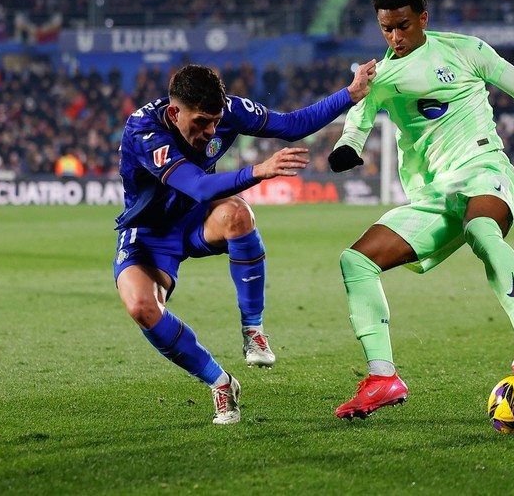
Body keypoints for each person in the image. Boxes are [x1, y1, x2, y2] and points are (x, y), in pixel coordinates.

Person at [328, 0, 514, 420]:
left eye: (402, 26)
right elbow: (358, 120)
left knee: (481, 228)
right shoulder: (381, 76)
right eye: (386, 29)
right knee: (355, 261)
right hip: (434, 194)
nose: (395, 37)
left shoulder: (465, 50)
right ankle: (382, 377)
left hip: (484, 170)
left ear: (423, 19)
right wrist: (348, 148)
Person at [114, 61, 376, 425]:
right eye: (202, 122)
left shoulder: (229, 110)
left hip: (196, 218)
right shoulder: (145, 131)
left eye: (216, 121)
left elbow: (291, 124)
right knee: (142, 307)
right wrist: (258, 171)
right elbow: (198, 184)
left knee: (238, 215)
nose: (211, 131)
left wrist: (349, 95)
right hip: (150, 231)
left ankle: (253, 331)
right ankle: (220, 383)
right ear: (174, 113)